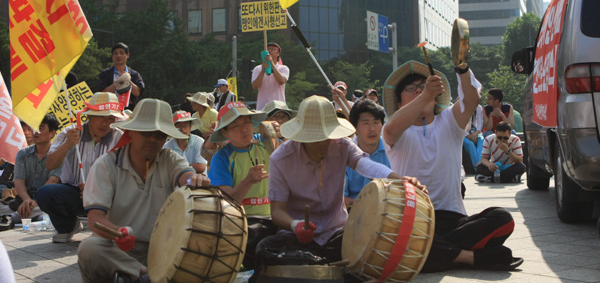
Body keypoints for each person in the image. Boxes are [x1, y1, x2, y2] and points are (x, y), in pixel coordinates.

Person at [253, 95, 423, 279]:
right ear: (303, 137)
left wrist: (398, 179)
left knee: (377, 242)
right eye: (319, 138)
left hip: (337, 233)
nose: (326, 142)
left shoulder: (342, 145)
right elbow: (277, 211)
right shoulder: (280, 159)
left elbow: (366, 165)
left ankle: (320, 272)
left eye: (329, 136)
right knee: (265, 248)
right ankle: (337, 273)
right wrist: (295, 225)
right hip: (297, 237)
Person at [382, 60, 522, 272]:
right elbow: (391, 130)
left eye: (423, 86)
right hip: (413, 218)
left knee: (502, 218)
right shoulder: (395, 129)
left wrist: (462, 67)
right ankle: (468, 257)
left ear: (436, 97)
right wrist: (425, 95)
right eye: (411, 88)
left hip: (452, 218)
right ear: (399, 103)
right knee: (398, 237)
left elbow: (471, 100)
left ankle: (435, 254)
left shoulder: (448, 120)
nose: (419, 90)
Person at [77, 98, 211, 283]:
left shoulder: (170, 159)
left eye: (159, 135)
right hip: (118, 248)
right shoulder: (106, 165)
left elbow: (185, 175)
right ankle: (143, 274)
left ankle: (134, 277)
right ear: (130, 132)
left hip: (161, 248)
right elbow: (95, 220)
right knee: (90, 248)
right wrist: (118, 232)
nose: (152, 139)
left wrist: (194, 180)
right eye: (146, 132)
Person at [36, 93, 125, 243]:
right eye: (100, 117)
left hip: (106, 193)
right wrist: (67, 144)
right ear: (89, 116)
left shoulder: (120, 138)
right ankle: (68, 226)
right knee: (45, 193)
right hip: (74, 192)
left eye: (110, 118)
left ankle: (106, 227)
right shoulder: (70, 132)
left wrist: (96, 188)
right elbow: (50, 164)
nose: (105, 123)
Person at [207, 102, 276, 270]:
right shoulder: (222, 158)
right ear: (225, 132)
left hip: (277, 216)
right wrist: (248, 180)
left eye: (246, 122)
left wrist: (281, 135)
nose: (244, 129)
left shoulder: (268, 141)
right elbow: (227, 202)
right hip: (243, 221)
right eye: (235, 126)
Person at [0, 114, 62, 223]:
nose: (36, 132)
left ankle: (15, 217)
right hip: (23, 201)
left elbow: (53, 180)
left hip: (46, 200)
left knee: (48, 210)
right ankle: (22, 215)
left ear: (52, 133)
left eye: (41, 128)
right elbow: (19, 181)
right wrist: (27, 199)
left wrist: (35, 202)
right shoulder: (22, 154)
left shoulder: (59, 154)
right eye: (35, 127)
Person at [344, 100, 390, 208]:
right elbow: (341, 198)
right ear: (354, 128)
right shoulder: (345, 154)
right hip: (354, 211)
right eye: (366, 123)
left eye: (376, 122)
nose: (372, 129)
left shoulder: (391, 150)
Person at [98, 42, 145, 110]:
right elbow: (102, 94)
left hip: (129, 110)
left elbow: (137, 93)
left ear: (127, 55)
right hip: (110, 110)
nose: (118, 55)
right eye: (115, 53)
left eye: (121, 53)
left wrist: (127, 80)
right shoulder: (105, 74)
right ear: (112, 56)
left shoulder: (134, 74)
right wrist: (117, 83)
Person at [251, 43, 290, 111]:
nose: (270, 51)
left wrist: (271, 63)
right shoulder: (257, 69)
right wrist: (262, 71)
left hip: (278, 108)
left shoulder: (283, 68)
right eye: (268, 49)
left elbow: (281, 81)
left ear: (278, 53)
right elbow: (255, 86)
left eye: (273, 49)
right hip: (262, 108)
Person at [463, 104, 484, 170]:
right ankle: (478, 168)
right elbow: (460, 126)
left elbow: (480, 123)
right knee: (470, 144)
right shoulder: (461, 107)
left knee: (482, 140)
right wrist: (469, 136)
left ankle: (479, 163)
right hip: (464, 134)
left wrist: (476, 133)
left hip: (475, 132)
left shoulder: (478, 107)